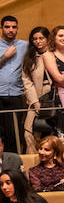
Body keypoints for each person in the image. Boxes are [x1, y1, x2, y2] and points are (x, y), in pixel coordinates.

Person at [0, 17, 27, 154]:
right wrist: (5, 56)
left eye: (14, 27)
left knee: (14, 132)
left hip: (16, 94)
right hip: (0, 94)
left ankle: (14, 163)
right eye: (7, 27)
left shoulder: (24, 45)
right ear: (1, 28)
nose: (11, 30)